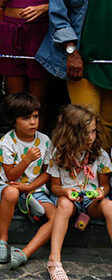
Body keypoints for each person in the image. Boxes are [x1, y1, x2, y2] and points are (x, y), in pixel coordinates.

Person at [36, 0, 112, 148]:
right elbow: (58, 15)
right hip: (83, 62)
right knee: (86, 123)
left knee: (109, 125)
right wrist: (72, 52)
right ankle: (80, 179)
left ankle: (102, 180)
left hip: (110, 61)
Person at [47, 105, 112, 280]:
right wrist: (66, 191)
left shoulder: (100, 154)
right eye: (86, 133)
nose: (91, 137)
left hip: (92, 202)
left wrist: (101, 192)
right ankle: (54, 260)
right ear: (71, 134)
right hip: (70, 199)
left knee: (109, 205)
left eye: (93, 132)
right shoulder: (57, 154)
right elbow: (54, 187)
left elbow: (105, 185)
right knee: (63, 204)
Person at [0, 93, 56, 270]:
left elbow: (47, 173)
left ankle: (25, 253)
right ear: (13, 120)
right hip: (9, 186)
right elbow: (11, 176)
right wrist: (26, 160)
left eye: (35, 116)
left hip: (35, 189)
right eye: (26, 118)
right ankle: (2, 240)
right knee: (12, 193)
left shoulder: (44, 141)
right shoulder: (7, 142)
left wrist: (29, 187)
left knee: (57, 217)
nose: (33, 122)